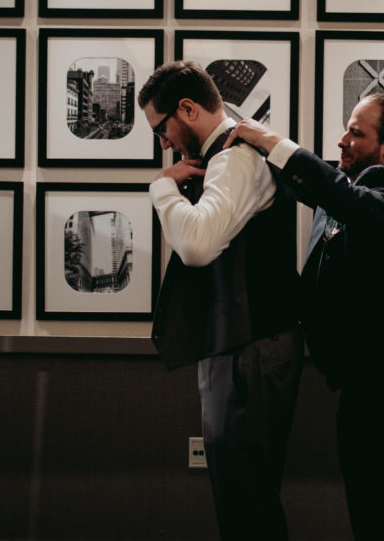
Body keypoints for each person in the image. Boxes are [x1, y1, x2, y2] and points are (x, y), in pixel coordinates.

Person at [224, 93, 384, 541]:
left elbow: (350, 200)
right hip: (361, 389)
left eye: (356, 133)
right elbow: (323, 193)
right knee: (370, 518)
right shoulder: (345, 190)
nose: (342, 141)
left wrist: (270, 139)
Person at [138, 61, 304, 541]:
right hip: (243, 340)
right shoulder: (229, 154)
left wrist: (162, 187)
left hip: (248, 343)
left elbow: (196, 245)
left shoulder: (236, 157)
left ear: (187, 109)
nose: (164, 142)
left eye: (161, 129)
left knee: (244, 496)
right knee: (244, 494)